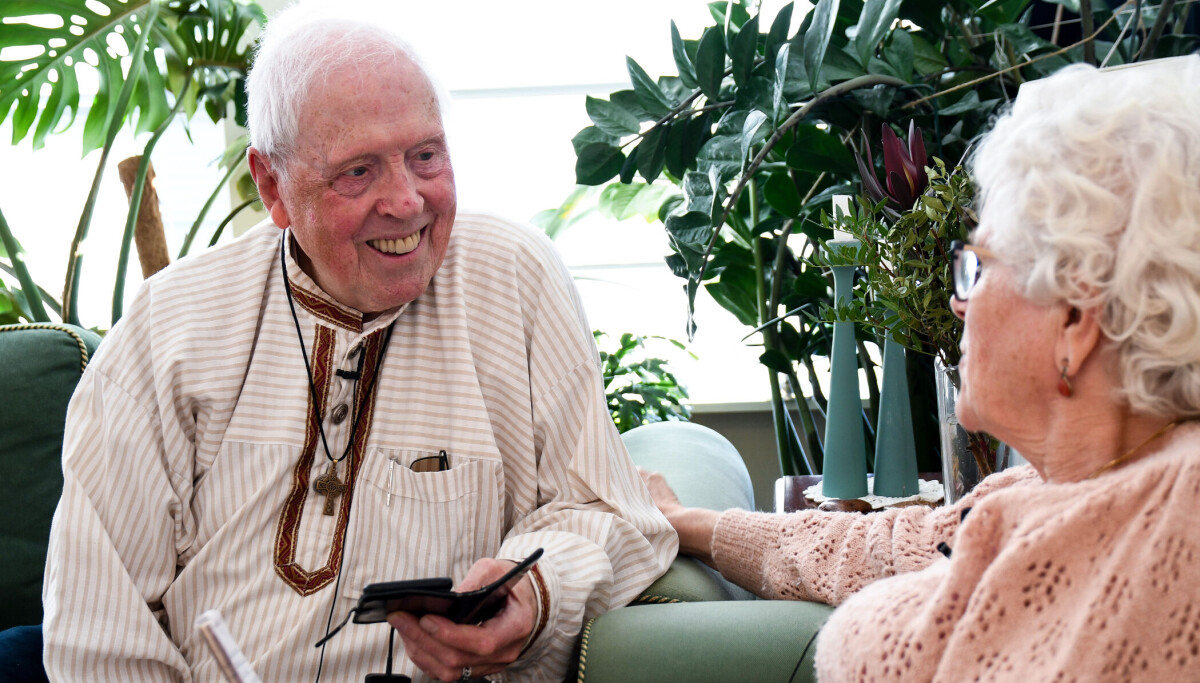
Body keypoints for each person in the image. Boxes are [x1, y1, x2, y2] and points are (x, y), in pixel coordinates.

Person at [41, 7, 676, 682]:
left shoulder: (513, 275)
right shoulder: (166, 327)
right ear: (271, 186)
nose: (406, 202)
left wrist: (538, 590)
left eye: (425, 155)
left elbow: (612, 512)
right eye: (358, 172)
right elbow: (97, 630)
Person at [645, 56, 1200, 681]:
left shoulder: (1166, 527)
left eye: (978, 267)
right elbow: (880, 547)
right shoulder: (1066, 483)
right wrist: (692, 524)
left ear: (1075, 316)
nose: (958, 299)